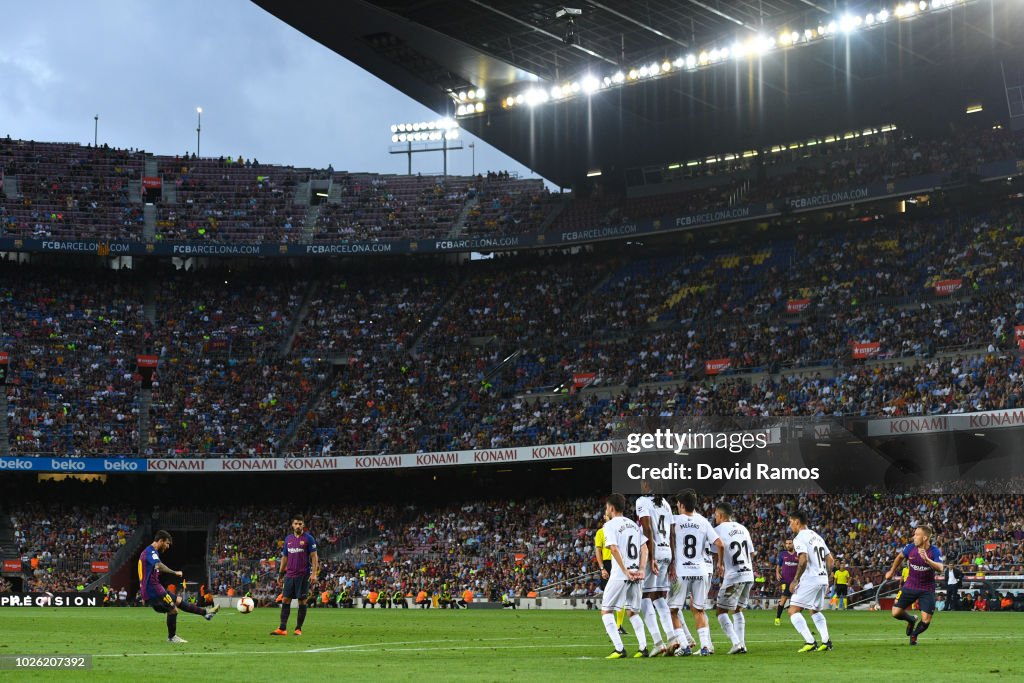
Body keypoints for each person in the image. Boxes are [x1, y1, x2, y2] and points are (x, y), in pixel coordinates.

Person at [668, 488, 722, 657]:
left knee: (672, 610)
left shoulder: (675, 520)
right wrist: (720, 564)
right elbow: (719, 543)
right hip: (700, 571)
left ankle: (684, 646)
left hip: (681, 572)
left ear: (682, 505)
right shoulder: (703, 521)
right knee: (698, 610)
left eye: (678, 503)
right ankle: (705, 647)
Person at [138, 530, 218, 643]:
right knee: (173, 610)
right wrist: (174, 572)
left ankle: (206, 613)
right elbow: (159, 565)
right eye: (167, 543)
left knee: (179, 601)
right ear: (160, 541)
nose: (168, 546)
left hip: (155, 588)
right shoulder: (151, 552)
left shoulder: (148, 552)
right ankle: (172, 637)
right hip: (153, 590)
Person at [599, 493, 650, 659]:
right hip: (636, 574)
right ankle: (643, 648)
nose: (607, 510)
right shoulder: (634, 525)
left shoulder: (610, 525)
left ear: (612, 508)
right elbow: (645, 549)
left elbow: (613, 548)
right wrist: (641, 569)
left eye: (607, 508)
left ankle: (619, 649)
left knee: (606, 611)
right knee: (633, 612)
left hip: (621, 574)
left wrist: (625, 570)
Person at [635, 482, 676, 656]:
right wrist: (672, 560)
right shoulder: (665, 503)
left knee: (644, 597)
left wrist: (651, 556)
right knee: (659, 597)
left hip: (655, 552)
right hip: (667, 552)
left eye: (642, 482)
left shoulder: (642, 501)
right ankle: (673, 638)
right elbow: (672, 532)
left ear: (646, 484)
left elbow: (646, 528)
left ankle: (658, 642)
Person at [885, 525, 943, 645]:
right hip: (910, 585)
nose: (914, 537)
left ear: (925, 538)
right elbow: (900, 557)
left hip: (927, 588)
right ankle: (911, 619)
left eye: (917, 535)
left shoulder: (934, 551)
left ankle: (914, 635)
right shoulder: (910, 548)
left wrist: (927, 560)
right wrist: (891, 571)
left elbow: (940, 568)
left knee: (926, 620)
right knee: (895, 613)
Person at [787, 510, 834, 653]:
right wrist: (826, 577)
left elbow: (803, 559)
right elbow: (830, 560)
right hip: (822, 578)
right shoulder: (817, 536)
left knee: (793, 610)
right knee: (814, 610)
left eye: (790, 522)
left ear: (797, 522)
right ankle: (826, 642)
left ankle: (810, 641)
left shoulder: (799, 538)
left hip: (811, 578)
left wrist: (795, 580)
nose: (790, 526)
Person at [714, 502, 755, 654]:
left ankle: (736, 643)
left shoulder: (717, 530)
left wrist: (720, 563)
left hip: (734, 575)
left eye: (716, 515)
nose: (715, 517)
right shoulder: (743, 528)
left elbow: (715, 548)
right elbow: (751, 553)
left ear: (720, 515)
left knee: (721, 611)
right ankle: (742, 644)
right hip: (748, 574)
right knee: (737, 610)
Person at [270, 516, 319, 636]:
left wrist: (313, 573)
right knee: (285, 599)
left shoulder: (309, 538)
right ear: (292, 525)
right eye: (296, 523)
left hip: (303, 575)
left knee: (302, 601)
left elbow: (314, 556)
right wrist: (281, 574)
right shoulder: (288, 539)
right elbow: (285, 557)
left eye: (300, 524)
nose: (298, 526)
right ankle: (282, 628)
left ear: (303, 525)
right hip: (289, 575)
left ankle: (298, 628)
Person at [594, 513, 628, 635]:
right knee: (609, 596)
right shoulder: (600, 532)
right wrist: (602, 568)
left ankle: (618, 625)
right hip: (608, 563)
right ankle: (613, 625)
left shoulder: (620, 529)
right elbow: (598, 550)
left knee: (621, 596)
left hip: (620, 562)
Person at [774, 539, 799, 625]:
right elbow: (778, 565)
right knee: (783, 600)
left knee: (797, 602)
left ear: (793, 544)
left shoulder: (798, 554)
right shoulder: (783, 554)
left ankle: (796, 619)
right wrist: (777, 573)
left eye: (790, 543)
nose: (788, 545)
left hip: (797, 582)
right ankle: (777, 618)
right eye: (787, 543)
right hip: (787, 581)